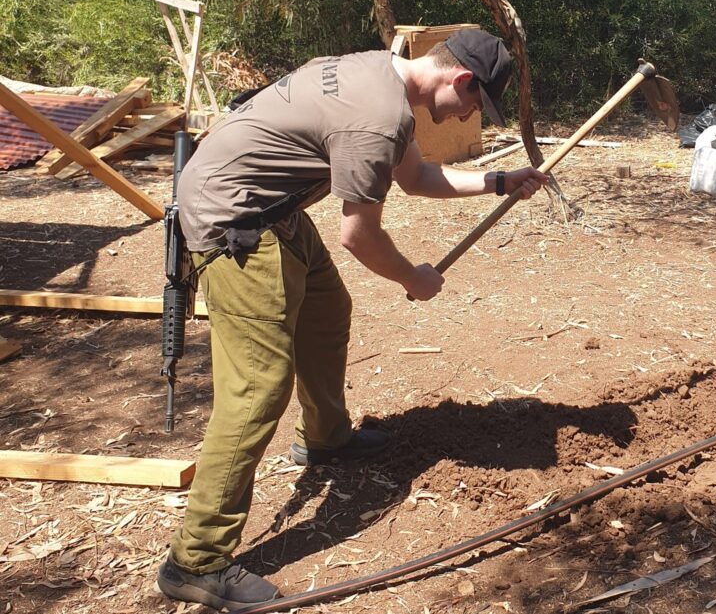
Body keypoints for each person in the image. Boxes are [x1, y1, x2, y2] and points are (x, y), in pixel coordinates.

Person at [155, 30, 548, 610]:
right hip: (233, 218)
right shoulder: (379, 118)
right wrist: (413, 277)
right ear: (460, 80)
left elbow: (414, 179)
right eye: (475, 103)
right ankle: (197, 560)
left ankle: (325, 438)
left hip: (271, 203)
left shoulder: (380, 76)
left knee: (326, 309)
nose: (471, 115)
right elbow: (359, 236)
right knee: (259, 386)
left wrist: (496, 182)